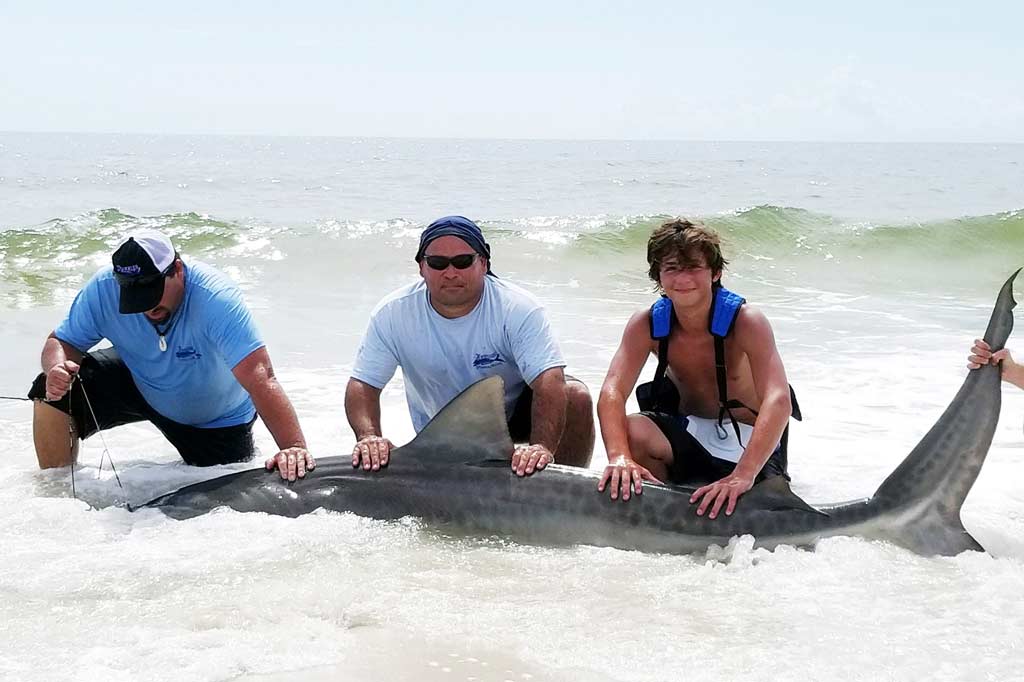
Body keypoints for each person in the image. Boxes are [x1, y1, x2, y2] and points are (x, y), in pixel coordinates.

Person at [29, 229, 314, 480]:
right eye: (135, 298)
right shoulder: (104, 288)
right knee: (49, 389)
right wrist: (55, 367)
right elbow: (62, 341)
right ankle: (59, 491)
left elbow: (260, 377)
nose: (146, 309)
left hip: (212, 418)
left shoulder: (215, 298)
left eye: (152, 294)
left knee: (215, 501)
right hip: (140, 380)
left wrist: (294, 449)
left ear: (177, 269)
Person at [345, 215, 594, 476]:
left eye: (463, 262)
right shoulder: (393, 313)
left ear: (483, 263)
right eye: (438, 263)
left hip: (513, 417)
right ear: (421, 267)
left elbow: (549, 380)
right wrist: (368, 437)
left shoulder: (517, 308)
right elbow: (363, 384)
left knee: (575, 396)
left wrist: (541, 447)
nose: (451, 273)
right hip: (440, 428)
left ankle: (561, 493)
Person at [596, 218, 798, 519]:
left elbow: (779, 400)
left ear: (715, 272)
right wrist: (619, 457)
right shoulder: (647, 324)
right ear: (658, 275)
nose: (682, 278)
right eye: (672, 268)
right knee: (632, 430)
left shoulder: (746, 321)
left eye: (693, 267)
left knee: (767, 515)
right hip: (690, 434)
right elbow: (612, 392)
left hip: (747, 443)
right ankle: (657, 515)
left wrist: (743, 474)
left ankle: (736, 486)